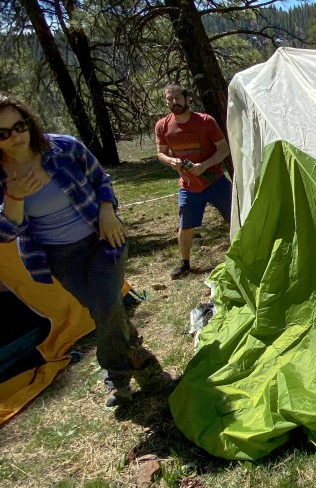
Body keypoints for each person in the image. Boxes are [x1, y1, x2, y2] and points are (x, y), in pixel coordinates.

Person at [0, 91, 166, 407]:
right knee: (105, 311)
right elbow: (7, 232)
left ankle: (116, 378)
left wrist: (107, 209)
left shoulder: (62, 147)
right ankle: (140, 356)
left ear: (28, 123)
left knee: (104, 306)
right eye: (2, 133)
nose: (15, 136)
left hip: (104, 237)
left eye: (19, 126)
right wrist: (15, 197)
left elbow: (100, 178)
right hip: (60, 257)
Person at [155, 83, 231, 279]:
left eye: (177, 98)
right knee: (185, 225)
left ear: (187, 98)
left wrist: (204, 165)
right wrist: (171, 161)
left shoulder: (205, 121)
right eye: (169, 99)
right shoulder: (162, 126)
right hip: (188, 186)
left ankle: (249, 251)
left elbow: (224, 149)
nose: (174, 102)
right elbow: (160, 154)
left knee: (236, 217)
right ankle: (185, 263)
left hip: (215, 181)